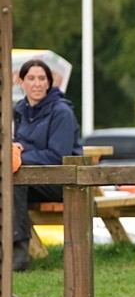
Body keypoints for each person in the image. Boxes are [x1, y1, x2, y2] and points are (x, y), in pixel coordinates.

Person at [11, 58, 83, 271]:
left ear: (50, 83)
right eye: (31, 78)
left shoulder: (62, 112)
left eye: (42, 78)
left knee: (14, 182)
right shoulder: (19, 110)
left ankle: (19, 257)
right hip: (31, 179)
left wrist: (19, 155)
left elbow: (56, 157)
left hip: (64, 180)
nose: (37, 83)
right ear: (21, 82)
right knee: (7, 183)